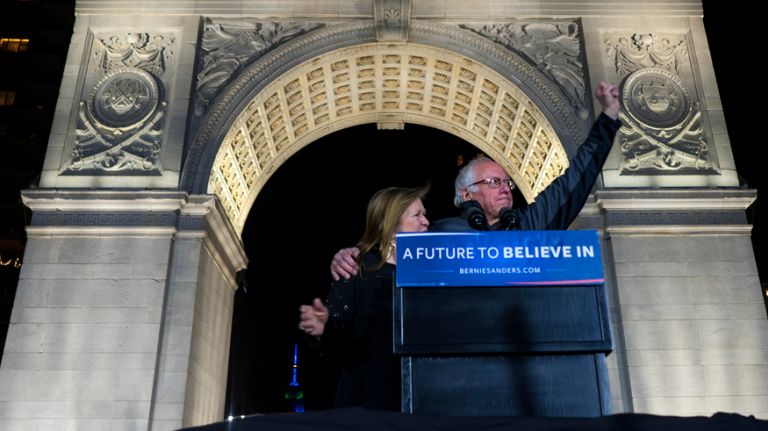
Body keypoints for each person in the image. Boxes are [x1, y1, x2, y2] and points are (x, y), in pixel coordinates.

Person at [330, 81, 621, 280]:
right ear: (467, 194)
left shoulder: (529, 224)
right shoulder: (439, 233)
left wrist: (608, 118)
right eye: (494, 182)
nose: (506, 188)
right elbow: (390, 252)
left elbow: (574, 181)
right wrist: (354, 255)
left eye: (507, 183)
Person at [298, 186, 430, 411]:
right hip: (368, 400)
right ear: (390, 221)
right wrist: (324, 328)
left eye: (424, 213)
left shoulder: (434, 272)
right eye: (417, 215)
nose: (426, 221)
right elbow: (339, 348)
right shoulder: (357, 269)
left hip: (423, 399)